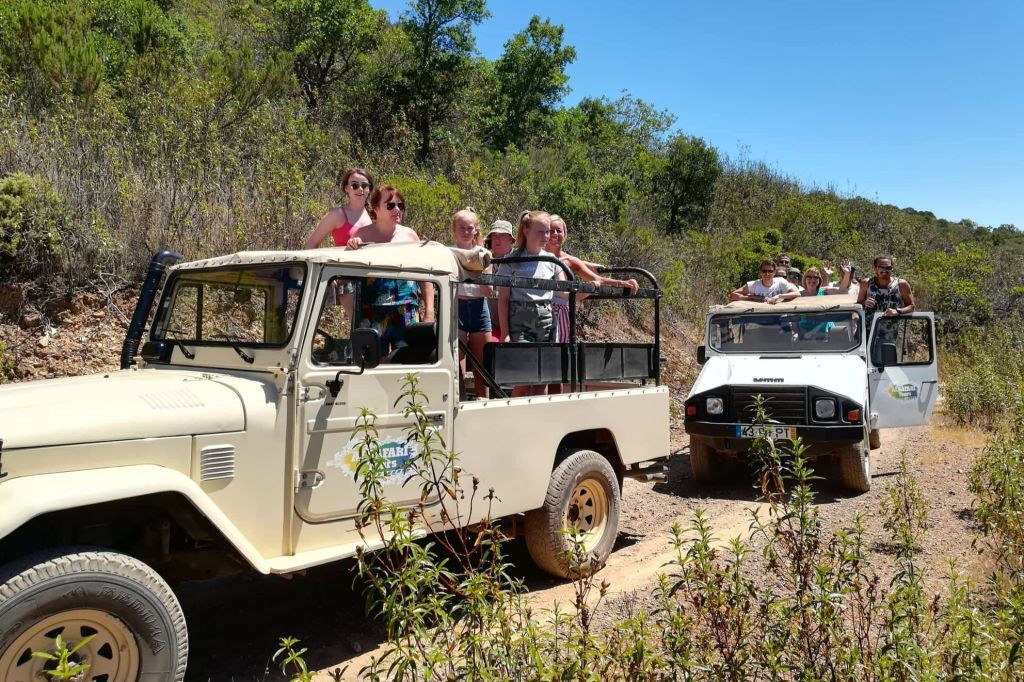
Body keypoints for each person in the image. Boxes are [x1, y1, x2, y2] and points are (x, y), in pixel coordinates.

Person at [346, 185, 435, 353]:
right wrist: (353, 247)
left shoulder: (410, 236)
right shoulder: (362, 235)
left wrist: (429, 310)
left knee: (407, 361)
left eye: (400, 205)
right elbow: (347, 274)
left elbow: (426, 275)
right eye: (390, 205)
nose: (397, 209)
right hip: (372, 311)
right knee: (372, 362)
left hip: (406, 308)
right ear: (375, 208)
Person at [496, 211, 564, 396]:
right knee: (524, 377)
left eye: (548, 232)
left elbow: (565, 291)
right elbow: (502, 299)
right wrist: (505, 333)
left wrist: (594, 286)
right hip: (521, 321)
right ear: (526, 231)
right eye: (540, 232)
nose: (546, 236)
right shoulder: (511, 261)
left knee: (542, 379)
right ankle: (514, 417)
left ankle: (538, 420)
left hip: (546, 320)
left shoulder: (552, 261)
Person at [545, 214, 639, 343]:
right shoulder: (534, 254)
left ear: (565, 234)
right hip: (538, 311)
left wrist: (623, 283)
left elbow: (596, 279)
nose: (555, 234)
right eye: (551, 230)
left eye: (559, 230)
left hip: (559, 313)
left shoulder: (570, 261)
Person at [451, 208, 491, 398]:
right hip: (456, 306)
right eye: (462, 228)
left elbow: (488, 290)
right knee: (455, 359)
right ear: (454, 229)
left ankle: (484, 402)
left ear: (476, 230)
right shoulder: (447, 253)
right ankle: (459, 399)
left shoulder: (483, 254)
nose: (466, 232)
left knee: (481, 364)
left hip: (478, 307)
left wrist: (478, 270)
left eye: (470, 228)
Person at [304, 168, 374, 248]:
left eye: (364, 185)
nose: (360, 189)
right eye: (355, 185)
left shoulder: (376, 215)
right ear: (346, 188)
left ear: (369, 189)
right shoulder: (336, 214)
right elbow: (310, 245)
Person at [484, 219, 515, 342]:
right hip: (489, 324)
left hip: (515, 325)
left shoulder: (520, 261)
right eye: (494, 236)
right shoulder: (483, 259)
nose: (497, 239)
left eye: (502, 235)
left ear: (511, 240)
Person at [857, 255, 914, 320]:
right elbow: (857, 306)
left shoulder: (901, 284)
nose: (884, 270)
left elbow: (911, 306)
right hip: (870, 329)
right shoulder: (866, 283)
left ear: (892, 268)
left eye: (888, 267)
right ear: (875, 268)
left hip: (894, 329)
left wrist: (898, 311)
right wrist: (864, 303)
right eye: (881, 267)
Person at [729, 260, 800, 304]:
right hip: (758, 320)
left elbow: (797, 293)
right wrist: (754, 298)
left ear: (774, 272)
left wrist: (778, 296)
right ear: (760, 272)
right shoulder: (753, 285)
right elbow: (732, 296)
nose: (767, 274)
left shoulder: (781, 282)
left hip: (780, 320)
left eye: (770, 271)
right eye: (764, 271)